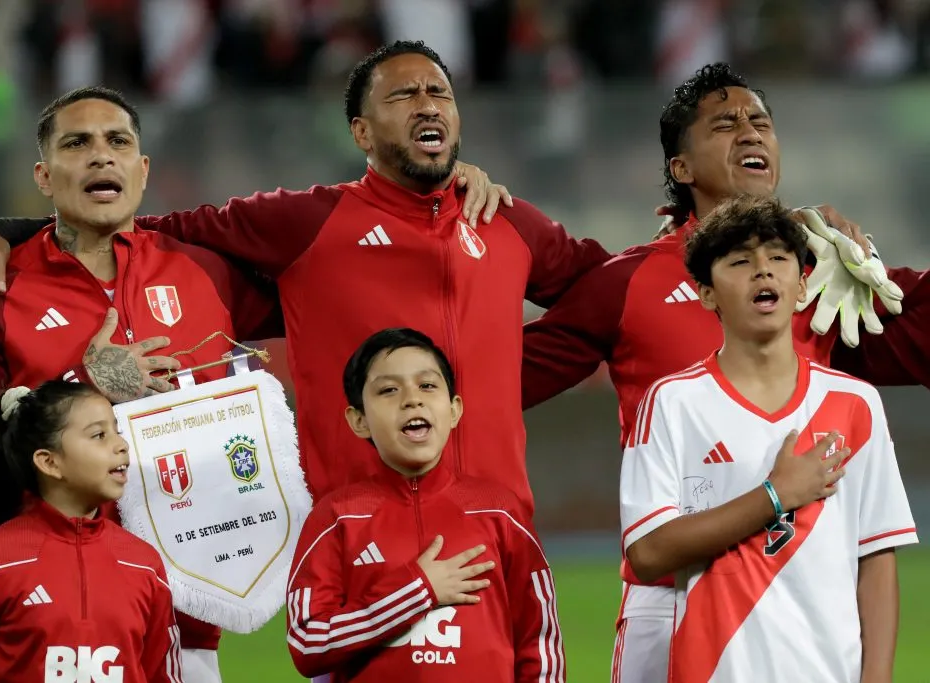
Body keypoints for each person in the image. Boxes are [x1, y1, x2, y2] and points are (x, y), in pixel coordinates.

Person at [0, 40, 611, 517]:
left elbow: (605, 292)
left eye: (439, 92)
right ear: (361, 133)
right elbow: (138, 223)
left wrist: (499, 381)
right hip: (354, 532)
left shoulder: (503, 220)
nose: (426, 104)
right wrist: (6, 230)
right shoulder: (305, 226)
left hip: (497, 523)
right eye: (404, 94)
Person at [519, 63, 930, 683]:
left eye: (761, 121)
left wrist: (863, 259)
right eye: (725, 124)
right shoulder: (627, 283)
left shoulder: (819, 274)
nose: (750, 132)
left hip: (794, 585)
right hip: (670, 593)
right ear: (681, 168)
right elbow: (496, 382)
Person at [0, 86, 284, 682]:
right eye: (76, 143)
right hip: (53, 624)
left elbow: (330, 288)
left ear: (142, 170)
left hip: (189, 622)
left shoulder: (205, 270)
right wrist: (83, 383)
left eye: (118, 141)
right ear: (44, 176)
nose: (101, 154)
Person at [620, 195, 917, 683]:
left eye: (778, 258)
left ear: (801, 287)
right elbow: (648, 554)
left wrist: (878, 676)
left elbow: (876, 557)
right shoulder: (672, 402)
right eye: (740, 262)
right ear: (707, 293)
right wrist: (775, 496)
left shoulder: (855, 403)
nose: (763, 270)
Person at [286, 328, 564, 682]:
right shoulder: (336, 517)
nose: (412, 400)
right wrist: (418, 590)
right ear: (359, 420)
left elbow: (540, 641)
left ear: (454, 409)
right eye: (389, 390)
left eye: (428, 385)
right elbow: (308, 643)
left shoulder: (500, 512)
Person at [0, 381, 183, 683]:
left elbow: (163, 674)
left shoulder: (144, 563)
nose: (122, 445)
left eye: (117, 431)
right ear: (49, 462)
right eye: (99, 435)